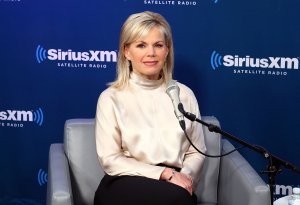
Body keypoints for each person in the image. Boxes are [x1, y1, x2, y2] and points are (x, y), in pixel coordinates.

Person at [94, 11, 206, 205]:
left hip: (174, 186)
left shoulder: (184, 94)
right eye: (141, 45)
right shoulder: (110, 98)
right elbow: (110, 159)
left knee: (178, 198)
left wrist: (184, 178)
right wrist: (164, 173)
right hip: (123, 181)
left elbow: (197, 151)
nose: (151, 53)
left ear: (167, 50)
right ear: (127, 51)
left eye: (158, 45)